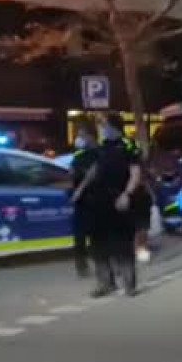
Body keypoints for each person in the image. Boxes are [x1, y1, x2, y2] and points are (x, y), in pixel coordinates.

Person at [79, 114, 145, 297]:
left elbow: (135, 173)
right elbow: (94, 171)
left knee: (122, 243)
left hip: (119, 199)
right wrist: (81, 190)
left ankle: (129, 284)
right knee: (98, 244)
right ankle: (105, 283)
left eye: (104, 125)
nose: (102, 128)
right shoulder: (103, 148)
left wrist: (127, 194)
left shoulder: (129, 146)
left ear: (114, 127)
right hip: (99, 202)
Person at [69, 124, 99, 278]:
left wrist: (80, 189)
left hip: (97, 199)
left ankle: (103, 264)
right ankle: (81, 266)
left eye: (81, 135)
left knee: (98, 235)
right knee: (79, 235)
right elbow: (72, 174)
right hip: (81, 202)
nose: (78, 139)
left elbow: (94, 173)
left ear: (91, 136)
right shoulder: (79, 156)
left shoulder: (100, 154)